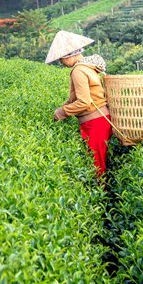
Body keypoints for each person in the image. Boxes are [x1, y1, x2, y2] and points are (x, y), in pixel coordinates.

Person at [47, 30, 112, 178]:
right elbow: (75, 97)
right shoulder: (88, 67)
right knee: (98, 160)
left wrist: (60, 113)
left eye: (61, 58)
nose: (61, 62)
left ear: (69, 55)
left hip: (94, 121)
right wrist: (64, 107)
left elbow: (84, 102)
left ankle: (99, 190)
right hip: (100, 119)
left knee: (96, 163)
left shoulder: (78, 70)